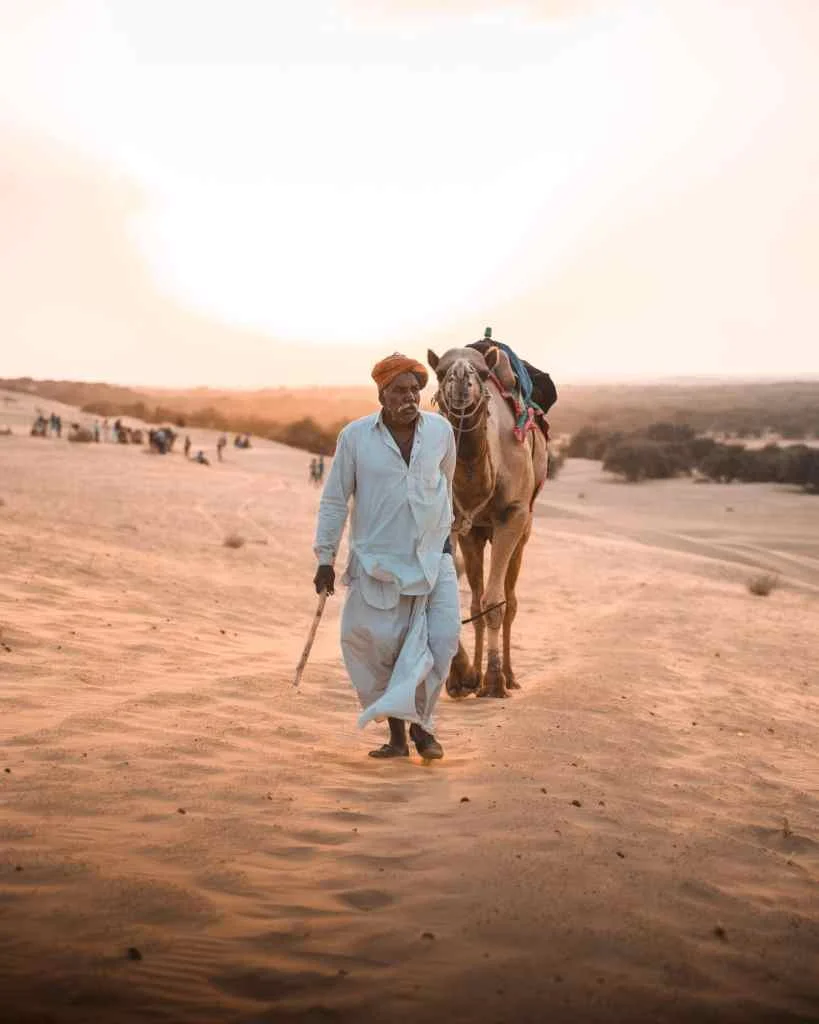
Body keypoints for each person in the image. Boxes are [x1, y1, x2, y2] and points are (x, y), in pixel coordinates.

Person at [313, 353, 459, 760]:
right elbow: (335, 500)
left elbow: (446, 484)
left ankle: (423, 727)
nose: (409, 397)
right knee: (383, 650)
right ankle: (399, 737)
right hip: (379, 563)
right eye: (399, 391)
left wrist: (446, 535)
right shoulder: (355, 437)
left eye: (415, 390)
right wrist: (325, 558)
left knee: (442, 641)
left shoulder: (441, 431)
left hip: (434, 557)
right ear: (382, 394)